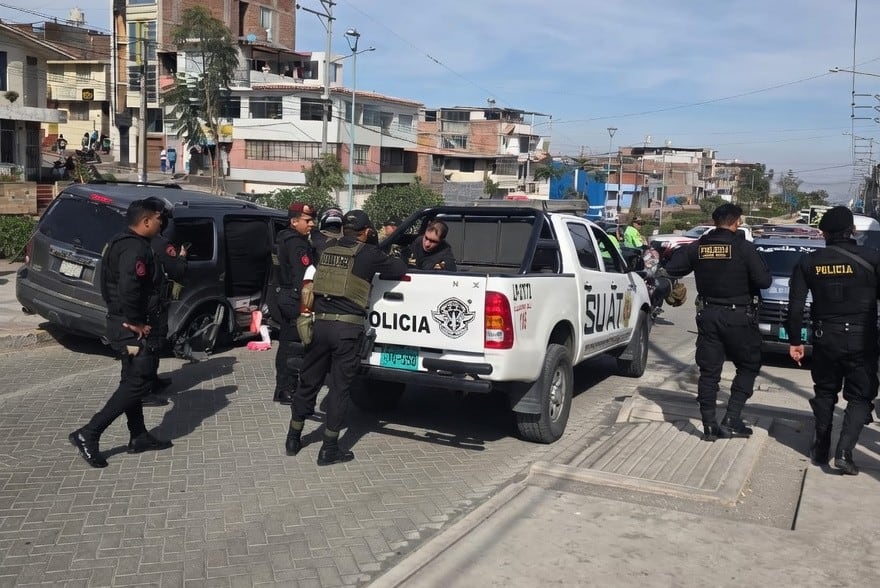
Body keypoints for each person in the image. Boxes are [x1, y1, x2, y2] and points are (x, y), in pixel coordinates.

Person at [286, 210, 408, 465]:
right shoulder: (369, 253)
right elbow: (399, 268)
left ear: (343, 229)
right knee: (340, 390)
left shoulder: (325, 248)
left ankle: (293, 438)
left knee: (308, 383)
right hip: (347, 332)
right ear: (367, 231)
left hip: (319, 326)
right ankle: (329, 449)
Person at [69, 199, 174, 468]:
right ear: (146, 221)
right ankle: (89, 433)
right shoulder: (134, 247)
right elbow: (129, 287)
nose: (161, 224)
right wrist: (135, 322)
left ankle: (138, 436)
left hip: (121, 322)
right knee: (139, 381)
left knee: (131, 381)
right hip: (130, 328)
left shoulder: (121, 241)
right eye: (159, 220)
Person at [664, 203, 771, 441]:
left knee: (709, 372)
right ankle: (732, 418)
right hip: (739, 317)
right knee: (748, 366)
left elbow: (672, 268)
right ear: (737, 222)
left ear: (714, 222)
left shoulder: (698, 247)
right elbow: (764, 281)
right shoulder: (744, 248)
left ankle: (709, 425)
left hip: (708, 315)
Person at [788, 206, 880, 475]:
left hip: (825, 337)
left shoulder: (808, 262)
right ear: (853, 230)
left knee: (825, 391)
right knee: (861, 395)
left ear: (824, 233)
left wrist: (795, 341)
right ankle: (844, 452)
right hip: (862, 338)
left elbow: (796, 307)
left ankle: (821, 446)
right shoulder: (873, 258)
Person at [141, 199, 189, 407]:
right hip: (153, 303)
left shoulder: (133, 240)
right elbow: (178, 271)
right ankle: (144, 390)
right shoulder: (160, 243)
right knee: (152, 344)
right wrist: (182, 257)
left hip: (143, 302)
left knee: (150, 345)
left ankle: (152, 381)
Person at [273, 203, 317, 405]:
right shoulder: (297, 244)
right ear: (294, 221)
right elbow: (303, 278)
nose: (311, 224)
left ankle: (282, 388)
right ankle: (287, 389)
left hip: (283, 294)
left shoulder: (282, 238)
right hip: (294, 298)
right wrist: (307, 305)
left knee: (285, 343)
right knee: (294, 345)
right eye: (307, 220)